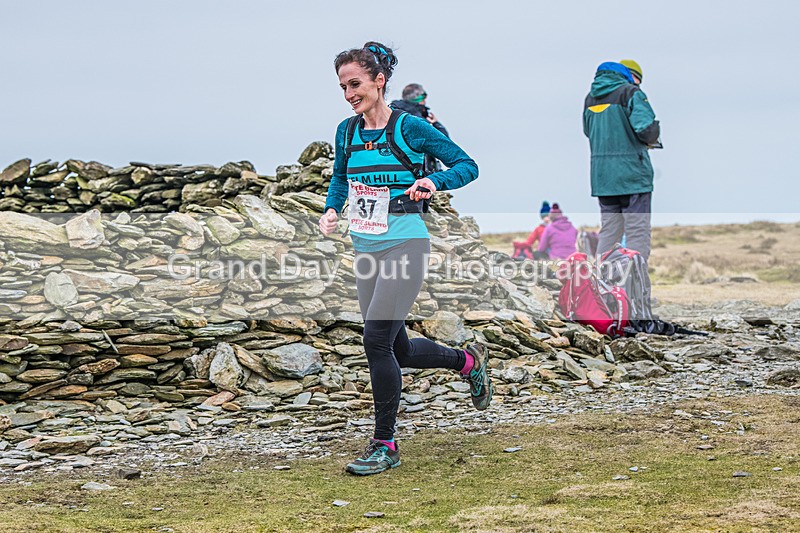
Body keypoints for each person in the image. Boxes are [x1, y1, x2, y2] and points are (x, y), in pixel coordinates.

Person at [319, 41, 491, 476]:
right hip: (366, 247)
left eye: (355, 84)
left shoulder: (410, 127)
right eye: (342, 87)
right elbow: (341, 179)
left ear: (379, 81)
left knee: (375, 341)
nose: (348, 95)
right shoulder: (345, 131)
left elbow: (467, 165)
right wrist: (331, 208)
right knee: (397, 348)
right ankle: (467, 362)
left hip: (406, 243)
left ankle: (385, 444)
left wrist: (433, 182)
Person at [583, 59, 660, 299]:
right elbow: (646, 129)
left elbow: (587, 131)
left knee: (609, 231)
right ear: (629, 76)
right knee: (637, 231)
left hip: (602, 177)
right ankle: (635, 290)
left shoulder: (590, 98)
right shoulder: (631, 92)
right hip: (632, 175)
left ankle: (602, 287)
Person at [390, 83, 449, 175]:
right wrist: (436, 124)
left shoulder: (392, 114)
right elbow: (443, 142)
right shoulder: (418, 119)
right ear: (420, 99)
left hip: (394, 171)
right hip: (419, 173)